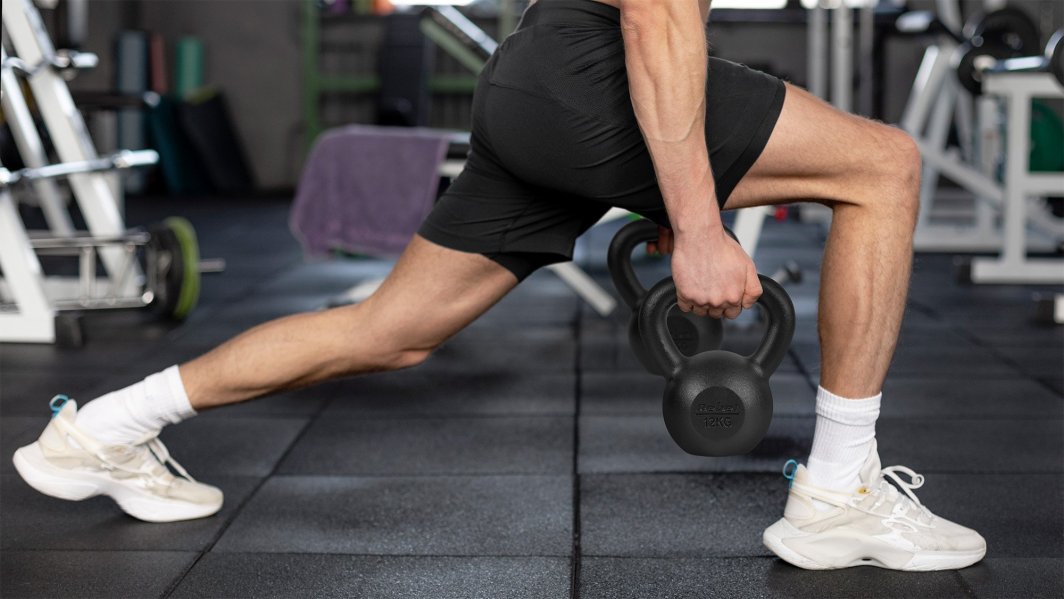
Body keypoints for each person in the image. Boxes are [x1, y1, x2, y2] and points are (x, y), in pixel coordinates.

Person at [12, 0, 985, 570]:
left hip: (534, 84)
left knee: (388, 328)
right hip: (592, 77)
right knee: (883, 163)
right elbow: (654, 19)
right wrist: (694, 221)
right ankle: (837, 487)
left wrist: (669, 183)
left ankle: (101, 428)